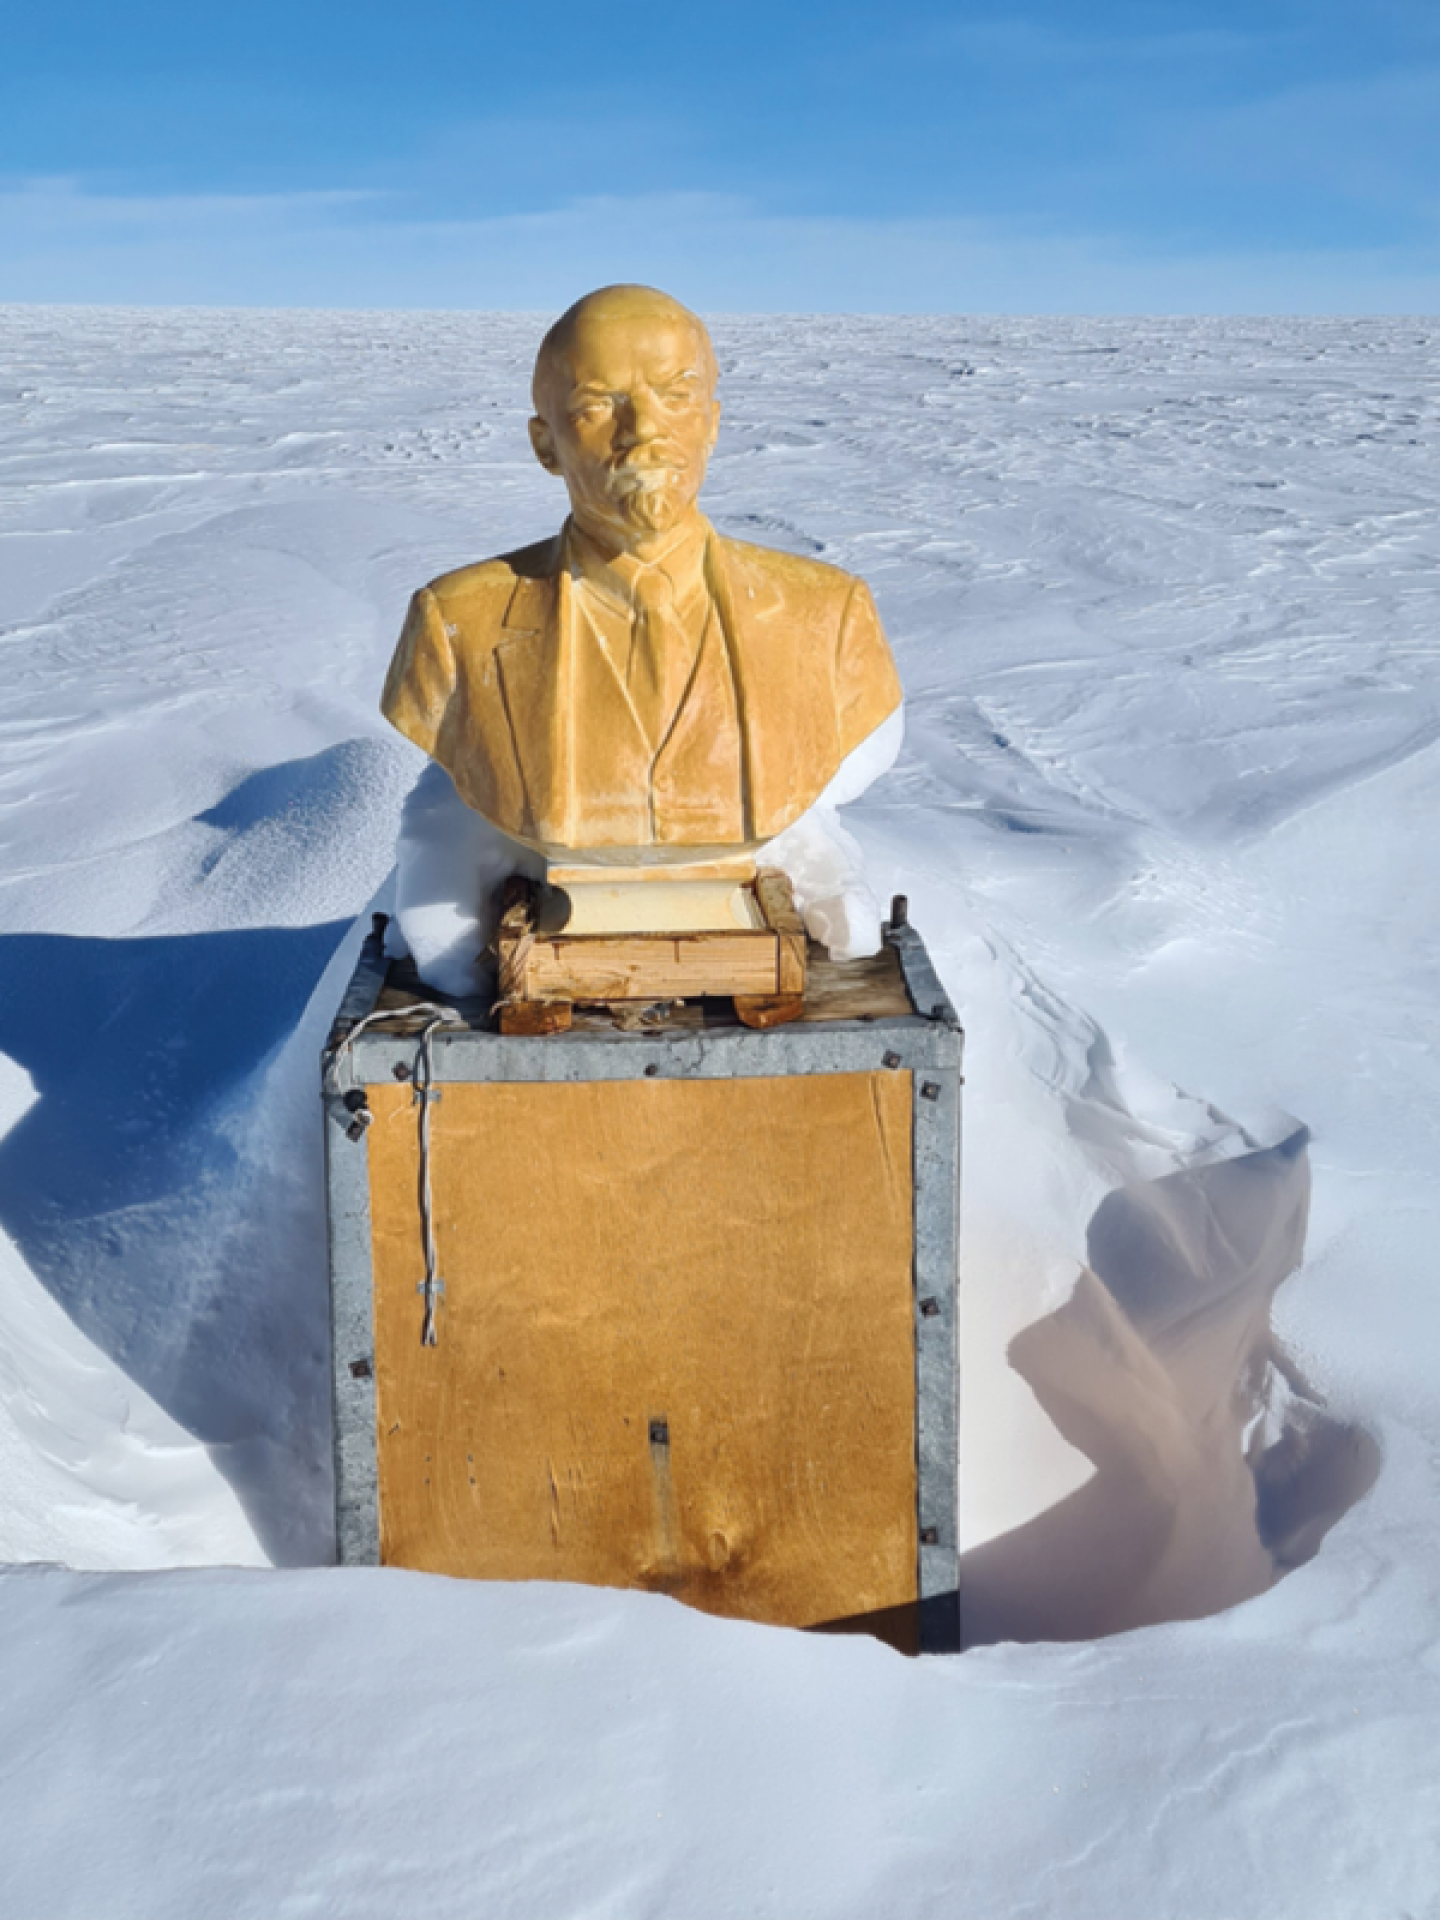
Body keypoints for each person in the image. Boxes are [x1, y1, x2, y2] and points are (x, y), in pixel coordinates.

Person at [382, 283, 904, 996]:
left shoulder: (828, 614)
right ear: (546, 443)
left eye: (676, 394)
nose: (643, 431)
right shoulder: (456, 623)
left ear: (713, 421)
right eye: (598, 404)